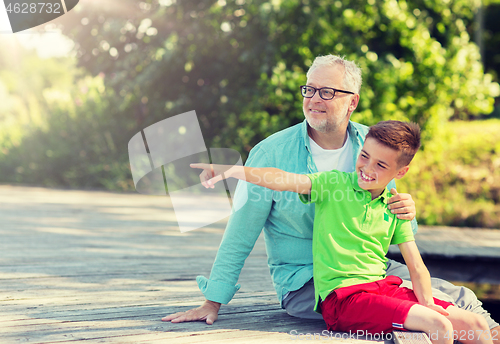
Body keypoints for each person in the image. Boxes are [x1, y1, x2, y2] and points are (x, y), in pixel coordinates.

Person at [162, 55, 499, 336]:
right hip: (311, 284)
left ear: (351, 101)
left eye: (326, 92)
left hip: (370, 272)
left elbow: (388, 213)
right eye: (309, 89)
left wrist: (407, 209)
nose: (313, 99)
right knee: (431, 318)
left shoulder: (373, 144)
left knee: (460, 298)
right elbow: (240, 233)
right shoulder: (272, 153)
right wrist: (213, 301)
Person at [188, 120, 492, 343]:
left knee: (476, 327)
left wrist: (423, 301)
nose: (367, 169)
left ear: (400, 173)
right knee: (439, 326)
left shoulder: (394, 206)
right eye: (364, 157)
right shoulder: (333, 184)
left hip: (380, 285)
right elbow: (281, 179)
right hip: (343, 297)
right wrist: (230, 170)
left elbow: (417, 266)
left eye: (380, 165)